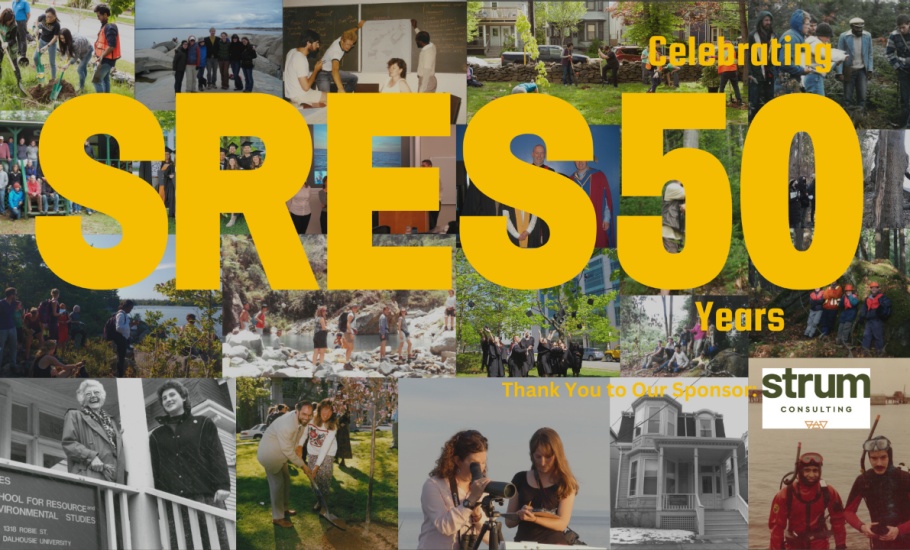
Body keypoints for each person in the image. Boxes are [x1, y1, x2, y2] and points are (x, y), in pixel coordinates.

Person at [149, 381, 231, 550]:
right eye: (164, 398)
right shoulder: (157, 436)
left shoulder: (203, 423)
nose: (168, 399)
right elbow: (156, 469)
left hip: (206, 496)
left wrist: (223, 485)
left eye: (172, 395)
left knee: (216, 543)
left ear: (184, 397)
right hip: (175, 502)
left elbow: (216, 455)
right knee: (183, 545)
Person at [418, 430, 491, 550]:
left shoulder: (482, 489)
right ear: (457, 461)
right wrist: (471, 500)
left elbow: (490, 539)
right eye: (474, 464)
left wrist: (477, 517)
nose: (480, 468)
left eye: (483, 462)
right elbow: (445, 527)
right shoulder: (434, 485)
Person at [506, 428, 579, 545]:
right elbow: (509, 522)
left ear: (557, 455)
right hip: (522, 545)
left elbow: (562, 524)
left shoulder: (566, 482)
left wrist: (534, 519)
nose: (543, 462)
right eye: (538, 457)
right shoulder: (519, 478)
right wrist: (520, 514)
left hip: (554, 546)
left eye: (548, 457)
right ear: (532, 455)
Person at [768, 452, 847, 550]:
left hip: (820, 544)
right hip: (794, 544)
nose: (811, 474)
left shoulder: (828, 491)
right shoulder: (785, 494)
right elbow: (777, 528)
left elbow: (838, 520)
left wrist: (841, 546)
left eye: (815, 470)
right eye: (807, 470)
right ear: (799, 471)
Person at [844, 436, 910, 549]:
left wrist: (899, 530)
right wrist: (862, 527)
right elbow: (848, 512)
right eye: (874, 458)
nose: (878, 463)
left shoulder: (904, 478)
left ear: (890, 456)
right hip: (879, 542)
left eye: (883, 457)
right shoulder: (864, 480)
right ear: (868, 458)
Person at [257, 401, 314, 528]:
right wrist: (304, 466)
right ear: (297, 411)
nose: (307, 417)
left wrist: (299, 446)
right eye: (304, 414)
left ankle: (284, 509)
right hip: (270, 455)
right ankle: (277, 517)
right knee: (277, 485)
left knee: (286, 481)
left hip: (281, 454)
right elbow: (288, 451)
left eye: (309, 414)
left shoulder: (301, 419)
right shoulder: (286, 425)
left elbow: (302, 431)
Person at [62, 380, 125, 482]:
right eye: (88, 394)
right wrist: (91, 457)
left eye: (96, 393)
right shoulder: (74, 415)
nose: (93, 396)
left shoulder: (112, 421)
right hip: (90, 474)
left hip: (114, 477)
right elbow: (69, 443)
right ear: (83, 399)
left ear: (102, 396)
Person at [500, 144, 551, 248]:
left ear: (544, 155)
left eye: (541, 153)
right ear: (533, 154)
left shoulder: (551, 173)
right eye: (537, 153)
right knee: (532, 240)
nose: (539, 155)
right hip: (531, 213)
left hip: (546, 215)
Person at [302, 398, 338, 512]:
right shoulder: (311, 419)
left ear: (333, 413)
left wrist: (317, 467)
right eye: (325, 410)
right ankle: (319, 500)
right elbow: (303, 433)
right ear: (320, 409)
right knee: (314, 481)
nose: (326, 414)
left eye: (330, 411)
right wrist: (299, 446)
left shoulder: (332, 426)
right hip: (312, 452)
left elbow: (325, 447)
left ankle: (323, 504)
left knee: (324, 480)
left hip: (328, 453)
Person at [571, 160, 613, 248]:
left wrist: (606, 218)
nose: (580, 162)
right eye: (577, 159)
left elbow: (606, 200)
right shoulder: (571, 179)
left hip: (596, 219)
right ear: (574, 161)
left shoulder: (598, 176)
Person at [837, 18, 873, 113]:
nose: (860, 30)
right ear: (852, 27)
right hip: (849, 70)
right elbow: (839, 55)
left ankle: (860, 118)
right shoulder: (844, 36)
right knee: (847, 97)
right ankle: (848, 118)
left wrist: (870, 69)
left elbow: (870, 54)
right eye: (857, 28)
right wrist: (840, 72)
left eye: (861, 28)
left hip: (862, 70)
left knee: (862, 96)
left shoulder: (867, 36)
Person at [317, 22, 363, 93]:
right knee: (325, 99)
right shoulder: (336, 52)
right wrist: (340, 88)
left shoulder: (343, 37)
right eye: (347, 44)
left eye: (351, 45)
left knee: (353, 78)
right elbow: (335, 70)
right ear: (342, 41)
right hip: (323, 73)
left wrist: (357, 27)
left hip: (331, 71)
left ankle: (341, 100)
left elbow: (350, 32)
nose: (349, 47)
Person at [284, 29, 327, 107]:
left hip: (291, 94)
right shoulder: (301, 58)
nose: (318, 46)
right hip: (300, 96)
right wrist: (316, 70)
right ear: (308, 43)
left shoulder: (292, 52)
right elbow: (306, 87)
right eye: (316, 43)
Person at [749, 11, 777, 122]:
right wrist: (750, 73)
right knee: (754, 103)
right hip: (757, 73)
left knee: (769, 100)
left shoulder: (774, 36)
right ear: (761, 21)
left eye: (769, 20)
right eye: (766, 20)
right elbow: (748, 56)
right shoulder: (753, 36)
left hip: (769, 72)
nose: (768, 22)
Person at [776, 10, 812, 96]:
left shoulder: (796, 36)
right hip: (787, 85)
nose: (809, 27)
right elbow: (785, 62)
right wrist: (802, 70)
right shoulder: (791, 38)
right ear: (799, 24)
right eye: (807, 24)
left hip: (791, 82)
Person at [887, 15, 910, 127]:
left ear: (909, 23)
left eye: (903, 27)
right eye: (899, 28)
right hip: (903, 70)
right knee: (905, 99)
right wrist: (897, 66)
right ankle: (904, 125)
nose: (901, 30)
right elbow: (889, 53)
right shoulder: (894, 35)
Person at [92, 4, 120, 93]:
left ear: (105, 15)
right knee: (105, 80)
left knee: (96, 81)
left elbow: (111, 46)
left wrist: (101, 57)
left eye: (99, 16)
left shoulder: (110, 28)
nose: (98, 18)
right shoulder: (105, 26)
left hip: (105, 60)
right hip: (106, 59)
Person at [804, 23, 837, 96]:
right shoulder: (817, 45)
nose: (828, 39)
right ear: (821, 35)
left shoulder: (811, 42)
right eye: (827, 37)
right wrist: (837, 61)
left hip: (809, 76)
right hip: (816, 77)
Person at [57, 28, 94, 93]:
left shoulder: (76, 43)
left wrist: (67, 65)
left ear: (68, 36)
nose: (63, 40)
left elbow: (75, 58)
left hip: (88, 50)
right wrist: (68, 58)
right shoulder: (68, 40)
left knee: (80, 69)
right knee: (83, 67)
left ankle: (81, 87)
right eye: (61, 39)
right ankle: (83, 82)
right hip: (82, 49)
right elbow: (69, 49)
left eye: (64, 38)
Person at [861, 281, 891, 353]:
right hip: (869, 319)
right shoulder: (868, 298)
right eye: (872, 288)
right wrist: (862, 316)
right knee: (866, 335)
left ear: (878, 289)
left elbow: (888, 303)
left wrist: (880, 309)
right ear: (870, 289)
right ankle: (865, 350)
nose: (874, 289)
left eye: (875, 288)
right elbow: (864, 308)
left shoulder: (882, 297)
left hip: (877, 320)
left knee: (878, 336)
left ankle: (879, 351)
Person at [34, 8, 60, 81]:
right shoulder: (43, 16)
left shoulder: (57, 25)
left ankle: (53, 80)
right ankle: (40, 74)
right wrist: (36, 28)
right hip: (42, 41)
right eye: (47, 16)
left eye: (50, 17)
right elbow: (37, 20)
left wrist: (47, 46)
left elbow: (55, 37)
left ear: (55, 16)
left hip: (51, 44)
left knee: (52, 62)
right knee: (36, 57)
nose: (47, 18)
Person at [110, 299, 133, 377]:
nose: (131, 310)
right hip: (120, 339)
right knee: (121, 357)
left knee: (121, 357)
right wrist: (128, 326)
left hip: (123, 338)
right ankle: (119, 375)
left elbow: (125, 326)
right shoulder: (120, 314)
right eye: (130, 308)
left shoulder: (124, 314)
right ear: (126, 307)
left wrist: (131, 324)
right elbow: (119, 328)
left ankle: (119, 374)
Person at [412, 21, 436, 92]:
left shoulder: (428, 53)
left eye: (417, 41)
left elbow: (427, 72)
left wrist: (422, 90)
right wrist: (415, 28)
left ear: (420, 42)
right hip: (427, 80)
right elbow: (422, 36)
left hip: (427, 81)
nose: (416, 42)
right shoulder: (431, 45)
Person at [0, 288, 19, 374]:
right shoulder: (1, 303)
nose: (15, 296)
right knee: (1, 348)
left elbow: (16, 312)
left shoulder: (15, 303)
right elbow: (7, 312)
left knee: (13, 347)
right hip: (2, 328)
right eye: (14, 294)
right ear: (11, 295)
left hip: (12, 327)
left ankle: (13, 364)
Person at [341, 304, 358, 370]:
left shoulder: (352, 314)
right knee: (350, 348)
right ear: (352, 308)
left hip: (349, 332)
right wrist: (350, 332)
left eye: (356, 307)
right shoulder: (351, 315)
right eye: (354, 307)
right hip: (348, 333)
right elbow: (348, 323)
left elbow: (351, 324)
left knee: (350, 348)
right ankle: (346, 364)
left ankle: (347, 362)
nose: (355, 308)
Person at [11, 0, 28, 65]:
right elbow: (13, 12)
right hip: (15, 22)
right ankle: (19, 51)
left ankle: (23, 55)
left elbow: (28, 14)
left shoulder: (24, 3)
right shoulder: (13, 2)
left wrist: (25, 22)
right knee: (17, 37)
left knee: (23, 39)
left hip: (22, 22)